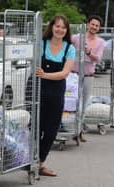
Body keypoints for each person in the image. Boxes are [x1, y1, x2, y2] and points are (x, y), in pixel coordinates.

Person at [36, 15, 76, 176]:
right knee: (35, 128)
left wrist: (44, 75)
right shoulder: (41, 43)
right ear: (51, 27)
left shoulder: (69, 48)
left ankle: (40, 163)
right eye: (57, 26)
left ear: (66, 30)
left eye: (63, 27)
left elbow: (64, 73)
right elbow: (18, 50)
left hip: (56, 90)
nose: (60, 29)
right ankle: (30, 161)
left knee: (51, 129)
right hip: (37, 89)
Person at [71, 15, 105, 142]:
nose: (94, 27)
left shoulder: (100, 42)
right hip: (74, 75)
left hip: (88, 77)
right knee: (71, 103)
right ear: (88, 24)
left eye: (97, 26)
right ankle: (69, 129)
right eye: (93, 24)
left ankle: (78, 132)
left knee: (83, 105)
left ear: (99, 28)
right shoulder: (76, 38)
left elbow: (99, 58)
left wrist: (90, 53)